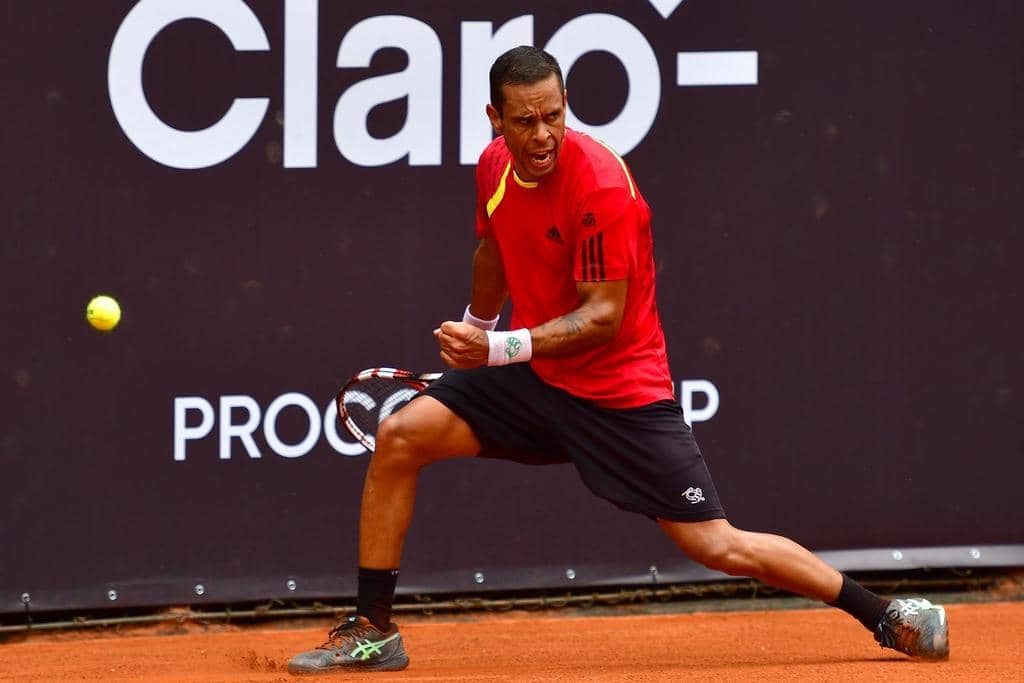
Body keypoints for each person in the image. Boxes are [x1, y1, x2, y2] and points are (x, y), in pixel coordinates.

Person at [287, 46, 949, 675]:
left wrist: (498, 347)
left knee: (717, 544)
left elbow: (602, 318)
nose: (542, 134)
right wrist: (477, 327)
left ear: (565, 105)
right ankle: (374, 632)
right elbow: (493, 248)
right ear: (495, 119)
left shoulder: (602, 185)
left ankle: (885, 613)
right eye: (525, 121)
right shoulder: (493, 166)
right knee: (401, 436)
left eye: (553, 115)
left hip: (619, 395)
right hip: (537, 376)